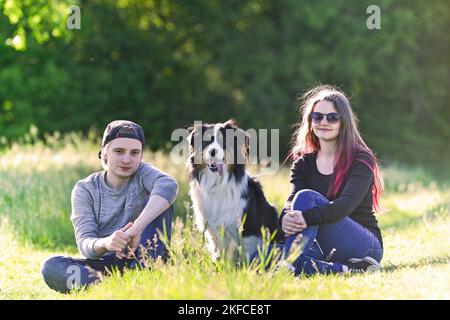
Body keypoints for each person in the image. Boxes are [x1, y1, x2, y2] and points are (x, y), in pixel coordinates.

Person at [41, 120, 179, 293]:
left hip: (146, 257)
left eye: (135, 153)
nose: (127, 159)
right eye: (119, 151)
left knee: (161, 202)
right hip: (105, 266)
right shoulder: (85, 189)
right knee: (52, 267)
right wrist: (107, 243)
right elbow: (85, 244)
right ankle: (122, 285)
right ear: (105, 153)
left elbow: (169, 185)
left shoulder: (144, 174)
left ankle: (143, 275)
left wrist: (135, 229)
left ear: (141, 156)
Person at [274, 85, 385, 275]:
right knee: (264, 252)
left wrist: (305, 217)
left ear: (344, 122)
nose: (323, 122)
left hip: (364, 245)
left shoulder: (361, 157)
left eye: (332, 117)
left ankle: (290, 263)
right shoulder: (302, 164)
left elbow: (345, 205)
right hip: (324, 243)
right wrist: (285, 218)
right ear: (310, 121)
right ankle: (343, 269)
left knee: (307, 197)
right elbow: (291, 202)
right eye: (317, 117)